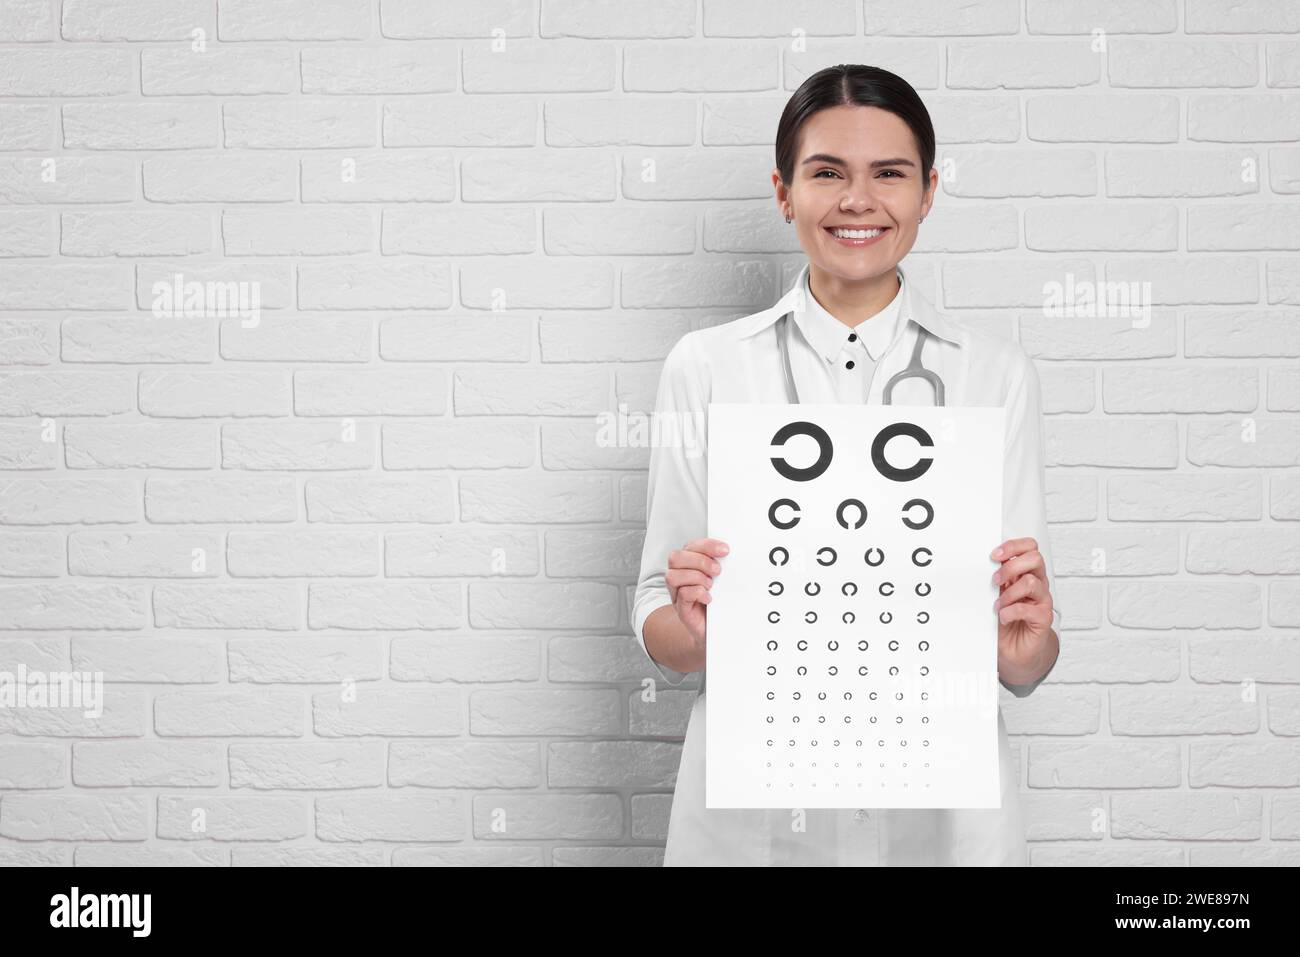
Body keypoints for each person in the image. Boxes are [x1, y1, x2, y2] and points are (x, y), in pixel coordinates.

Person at [631, 64, 1061, 866]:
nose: (857, 200)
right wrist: (697, 631)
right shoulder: (707, 366)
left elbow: (1023, 659)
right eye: (826, 172)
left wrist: (1024, 644)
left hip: (940, 813)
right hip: (755, 812)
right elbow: (659, 615)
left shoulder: (994, 374)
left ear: (929, 191)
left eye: (889, 174)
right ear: (784, 191)